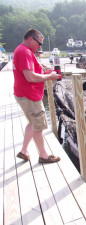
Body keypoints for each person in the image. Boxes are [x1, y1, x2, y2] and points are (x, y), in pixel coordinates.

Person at [13, 28, 61, 163]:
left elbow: (30, 73)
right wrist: (49, 77)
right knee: (38, 125)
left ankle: (24, 151)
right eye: (39, 43)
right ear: (30, 39)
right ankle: (43, 156)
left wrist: (46, 73)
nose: (40, 47)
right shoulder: (25, 52)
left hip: (24, 93)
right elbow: (30, 77)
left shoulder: (22, 50)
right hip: (29, 94)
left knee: (32, 122)